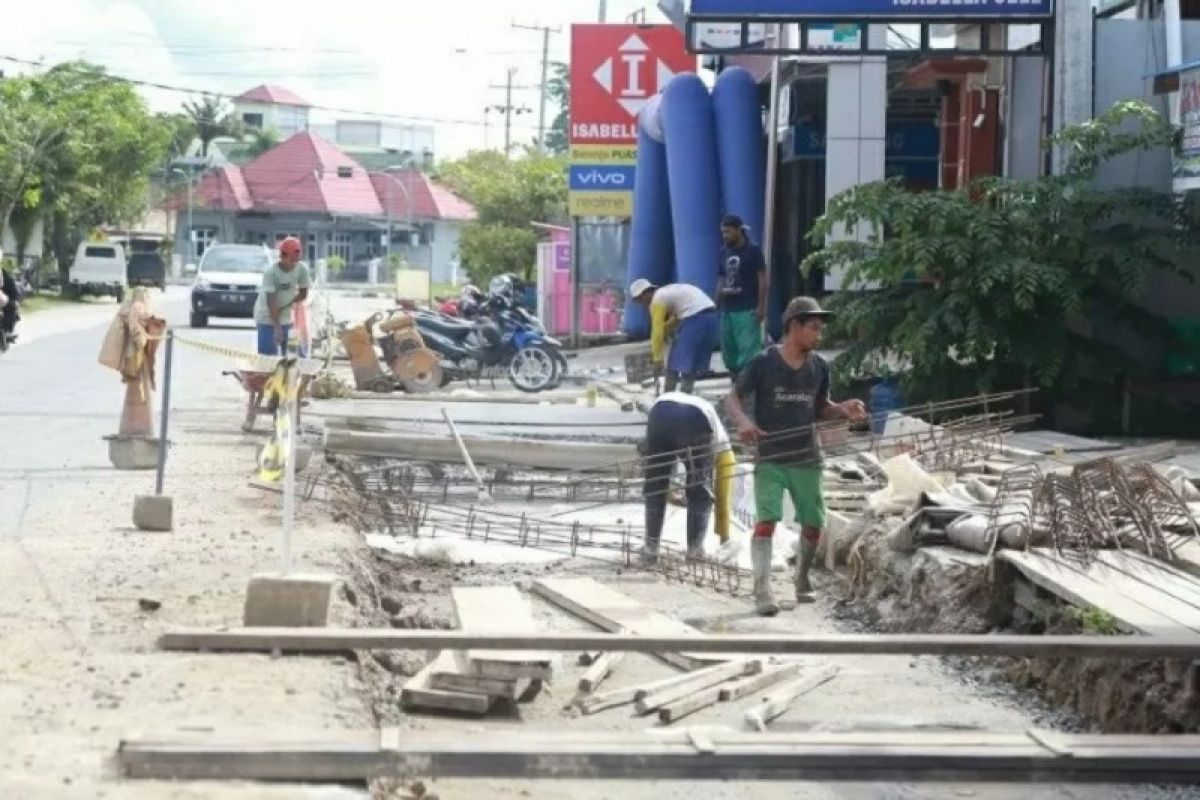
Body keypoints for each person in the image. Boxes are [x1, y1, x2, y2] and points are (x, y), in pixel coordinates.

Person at [724, 296, 867, 617]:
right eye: (814, 328)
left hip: (807, 456)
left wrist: (842, 409)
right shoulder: (763, 363)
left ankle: (801, 578)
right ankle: (762, 589)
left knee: (814, 523)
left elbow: (821, 407)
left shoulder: (819, 367)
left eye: (820, 329)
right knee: (766, 521)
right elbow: (731, 399)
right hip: (771, 457)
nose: (820, 335)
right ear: (794, 327)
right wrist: (744, 422)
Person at [641, 391, 737, 565]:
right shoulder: (724, 449)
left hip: (659, 411)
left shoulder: (710, 418)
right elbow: (723, 493)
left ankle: (650, 548)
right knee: (700, 489)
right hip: (694, 419)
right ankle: (695, 551)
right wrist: (724, 535)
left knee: (656, 483)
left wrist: (670, 492)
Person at [629, 278, 719, 393]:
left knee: (682, 363)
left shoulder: (657, 299)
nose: (641, 304)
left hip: (695, 319)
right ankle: (676, 395)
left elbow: (657, 331)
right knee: (684, 361)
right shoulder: (668, 293)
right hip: (711, 318)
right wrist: (665, 332)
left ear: (645, 293)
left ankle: (677, 396)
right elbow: (674, 320)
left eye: (639, 300)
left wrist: (658, 359)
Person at [717, 214, 767, 381]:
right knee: (729, 352)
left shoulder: (753, 250)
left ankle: (749, 387)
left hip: (747, 309)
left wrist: (761, 307)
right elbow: (721, 278)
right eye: (723, 232)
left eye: (728, 232)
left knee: (748, 352)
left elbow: (762, 278)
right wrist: (715, 302)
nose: (725, 236)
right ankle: (735, 386)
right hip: (727, 308)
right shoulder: (723, 252)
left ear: (739, 230)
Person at [254, 237, 310, 357]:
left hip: (286, 318)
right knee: (268, 359)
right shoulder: (271, 273)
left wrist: (288, 304)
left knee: (294, 358)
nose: (294, 264)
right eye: (291, 260)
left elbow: (303, 293)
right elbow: (271, 302)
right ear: (282, 257)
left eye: (296, 260)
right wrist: (277, 327)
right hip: (267, 318)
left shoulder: (301, 269)